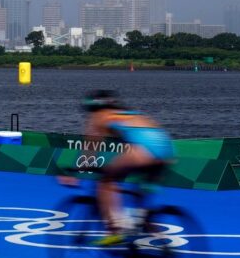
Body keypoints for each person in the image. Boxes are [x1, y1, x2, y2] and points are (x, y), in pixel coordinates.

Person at [62, 89, 175, 247]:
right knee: (141, 195)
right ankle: (155, 234)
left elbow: (91, 146)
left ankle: (116, 230)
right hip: (167, 149)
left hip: (146, 148)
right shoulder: (129, 113)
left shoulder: (100, 116)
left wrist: (76, 172)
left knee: (106, 181)